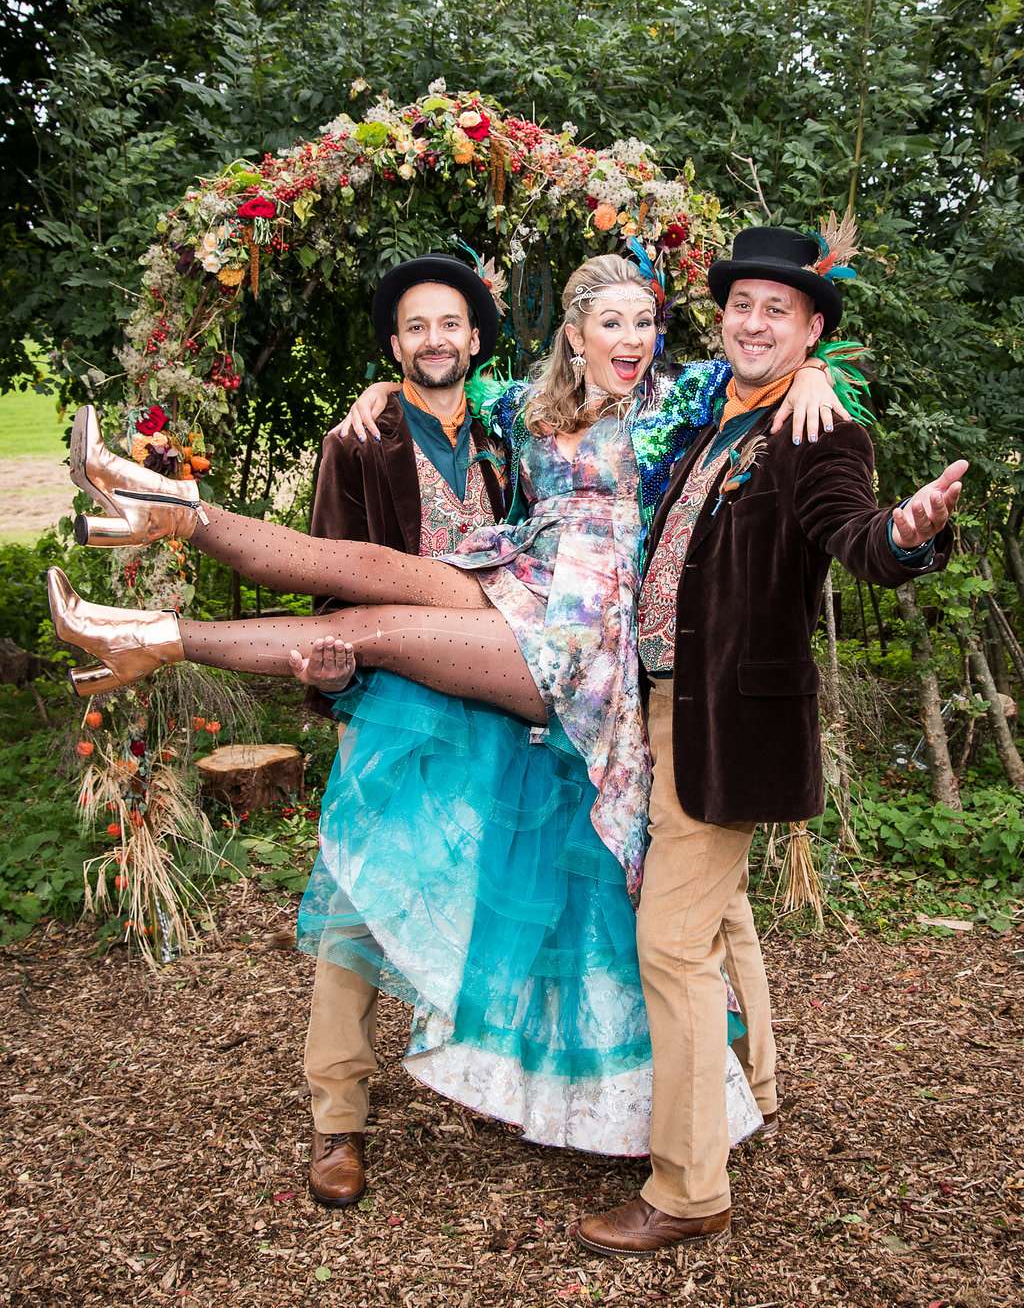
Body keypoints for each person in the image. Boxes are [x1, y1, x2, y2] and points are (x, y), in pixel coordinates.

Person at [48, 248, 844, 1157]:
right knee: (366, 577)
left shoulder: (680, 399)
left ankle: (157, 635)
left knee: (381, 633)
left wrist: (816, 368)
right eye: (611, 322)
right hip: (520, 570)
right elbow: (436, 390)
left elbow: (762, 369)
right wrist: (380, 391)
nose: (631, 339)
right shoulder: (525, 405)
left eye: (643, 323)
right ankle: (163, 520)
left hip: (587, 634)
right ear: (574, 335)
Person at [573, 225, 965, 1257]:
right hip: (661, 712)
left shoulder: (814, 425)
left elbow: (852, 530)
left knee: (671, 945)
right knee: (718, 922)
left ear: (812, 329)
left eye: (777, 310)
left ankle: (688, 1186)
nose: (753, 322)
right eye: (741, 304)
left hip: (731, 725)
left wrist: (905, 534)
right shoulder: (715, 416)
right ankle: (755, 1086)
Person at [301, 254, 507, 1207]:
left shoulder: (510, 434)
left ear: (475, 337)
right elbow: (329, 571)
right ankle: (337, 1116)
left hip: (495, 697)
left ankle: (498, 1082)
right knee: (359, 902)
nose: (434, 340)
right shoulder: (357, 442)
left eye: (449, 323)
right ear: (395, 346)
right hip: (390, 700)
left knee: (494, 890)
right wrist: (336, 673)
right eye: (416, 326)